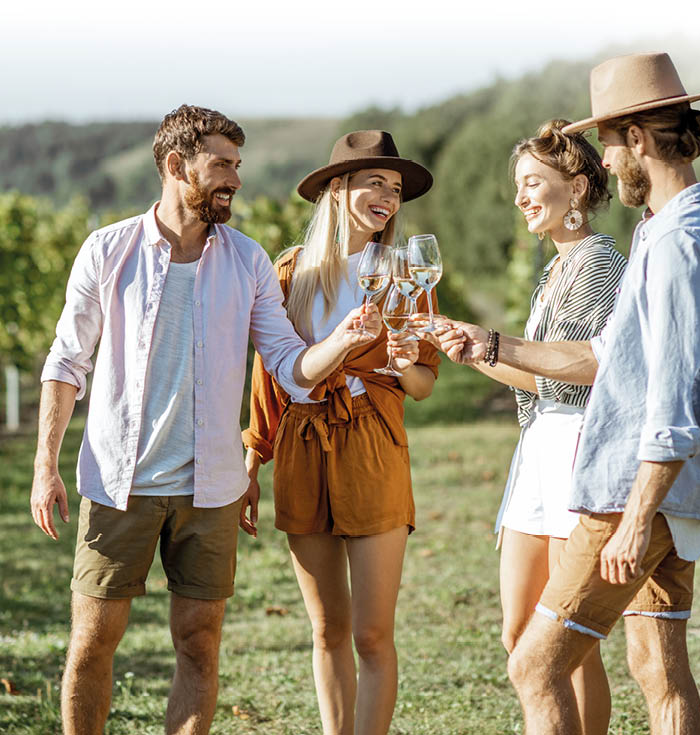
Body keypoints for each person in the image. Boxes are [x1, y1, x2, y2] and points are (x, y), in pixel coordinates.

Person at [28, 105, 379, 735]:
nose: (235, 180)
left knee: (199, 644)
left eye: (237, 166)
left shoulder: (247, 261)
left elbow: (290, 366)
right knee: (92, 643)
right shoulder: (109, 251)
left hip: (211, 491)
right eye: (221, 165)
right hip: (118, 482)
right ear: (175, 165)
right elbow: (66, 362)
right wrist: (44, 467)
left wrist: (345, 340)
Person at [429, 52, 700, 735]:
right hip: (670, 493)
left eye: (605, 142)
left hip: (636, 493)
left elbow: (676, 392)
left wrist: (634, 517)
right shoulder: (672, 231)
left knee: (534, 666)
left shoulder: (679, 243)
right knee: (658, 669)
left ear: (636, 138)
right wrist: (490, 344)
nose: (603, 161)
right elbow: (610, 357)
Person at [425, 119, 626, 732]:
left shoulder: (600, 265)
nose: (521, 197)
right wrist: (471, 349)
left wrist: (490, 342)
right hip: (537, 448)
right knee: (519, 631)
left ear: (579, 188)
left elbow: (577, 376)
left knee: (570, 642)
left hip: (577, 452)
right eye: (518, 185)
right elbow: (540, 382)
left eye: (534, 182)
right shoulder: (553, 270)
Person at [242, 130, 440, 735]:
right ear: (337, 189)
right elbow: (269, 381)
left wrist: (408, 360)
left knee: (372, 632)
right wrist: (253, 462)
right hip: (303, 448)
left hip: (374, 445)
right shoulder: (289, 274)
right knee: (326, 629)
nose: (388, 196)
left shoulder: (410, 274)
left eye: (396, 188)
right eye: (374, 182)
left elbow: (424, 384)